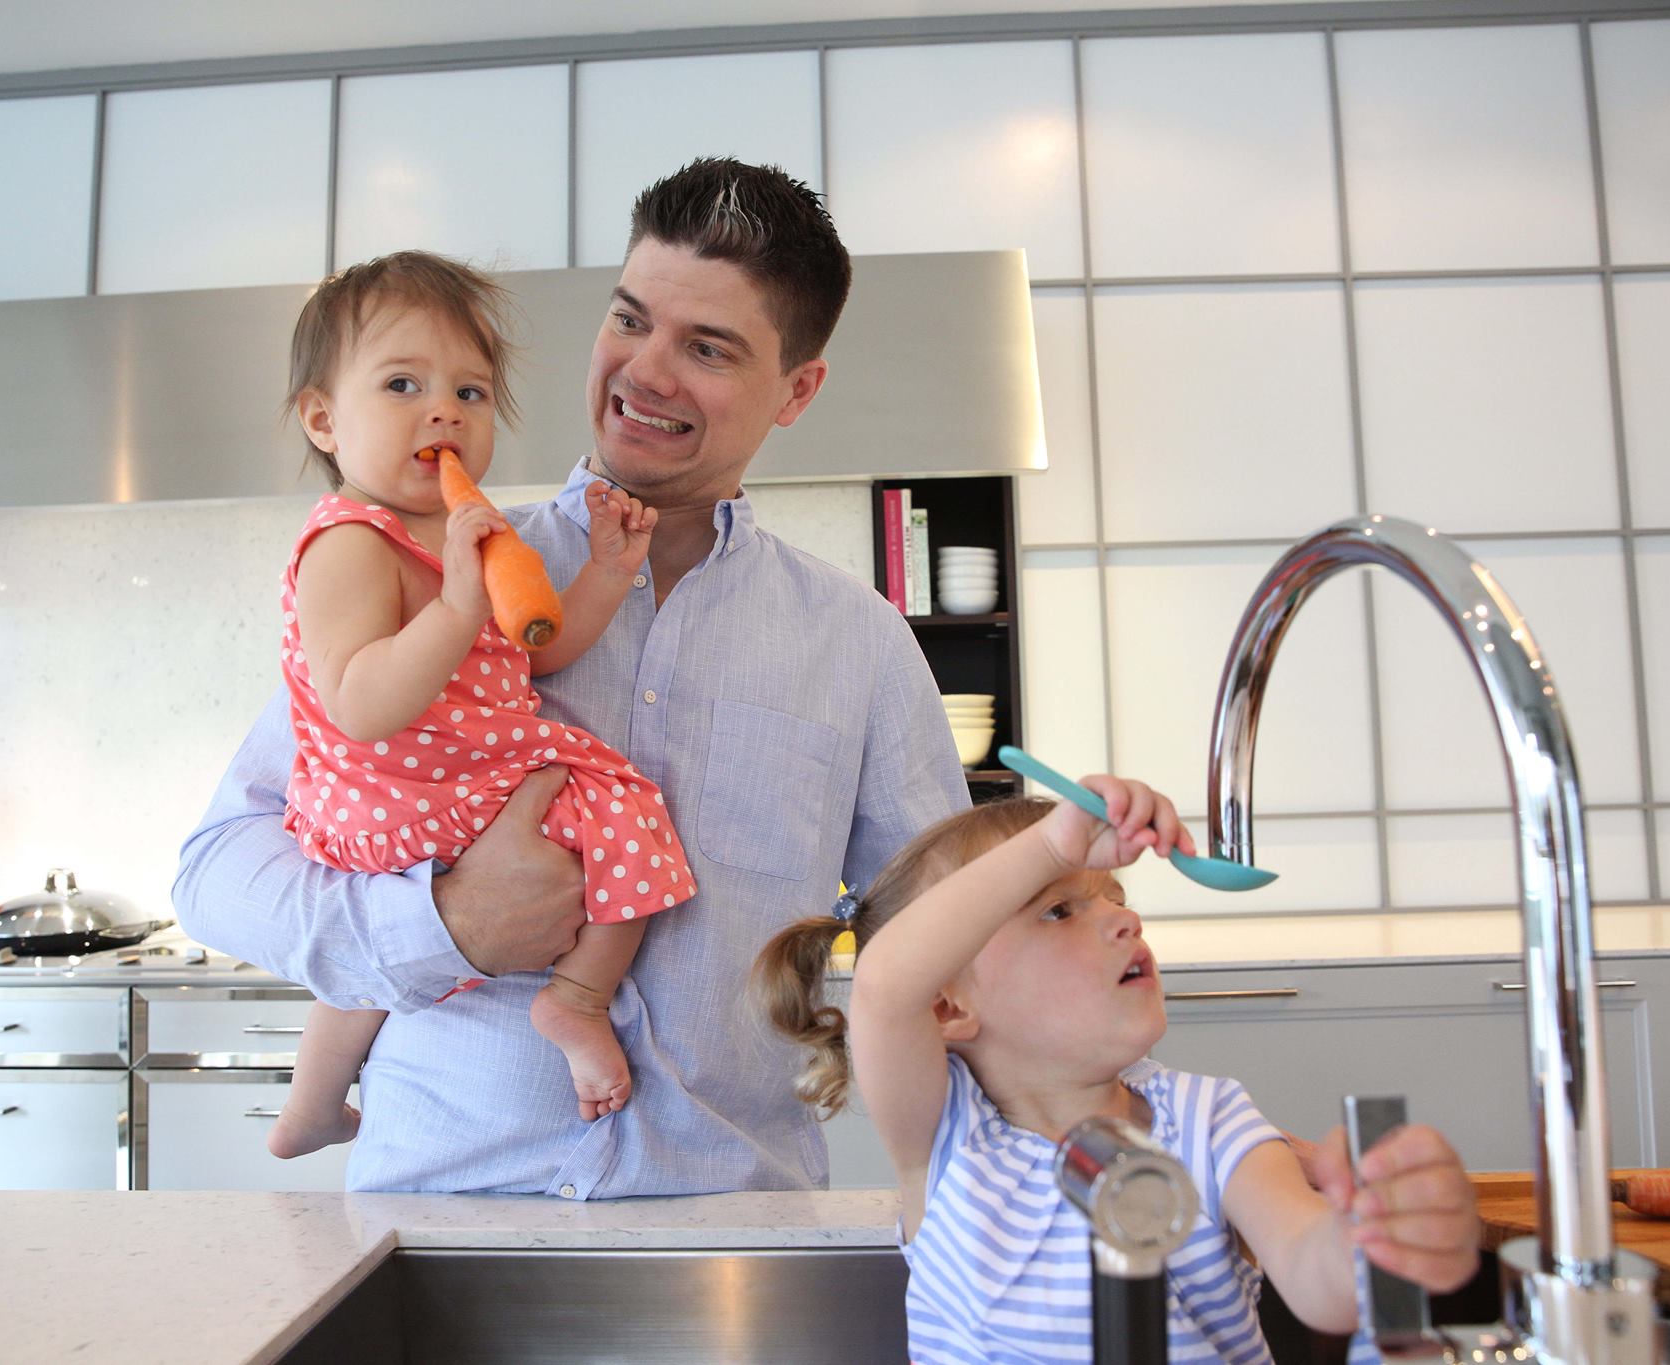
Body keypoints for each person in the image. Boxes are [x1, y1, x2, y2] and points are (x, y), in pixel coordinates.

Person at [174, 157, 968, 1195]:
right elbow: (215, 875)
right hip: (441, 1213)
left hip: (730, 1227)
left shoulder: (858, 644)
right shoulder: (428, 572)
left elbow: (945, 932)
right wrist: (444, 923)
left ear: (796, 390)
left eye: (707, 347)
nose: (645, 372)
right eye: (629, 320)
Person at [754, 777, 1481, 1364]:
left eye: (1116, 899)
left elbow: (1319, 1280)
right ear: (948, 1005)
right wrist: (1050, 843)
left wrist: (1380, 1237)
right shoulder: (947, 1140)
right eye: (1059, 910)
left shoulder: (1210, 1120)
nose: (1124, 921)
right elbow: (886, 985)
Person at [265, 251, 698, 1158]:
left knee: (379, 975)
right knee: (629, 811)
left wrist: (606, 572)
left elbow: (533, 650)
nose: (444, 411)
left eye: (470, 392)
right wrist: (459, 603)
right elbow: (357, 703)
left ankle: (312, 1107)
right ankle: (576, 998)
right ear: (323, 418)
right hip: (416, 793)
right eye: (402, 384)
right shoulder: (351, 543)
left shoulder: (461, 535)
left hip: (434, 798)